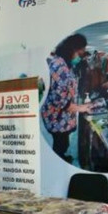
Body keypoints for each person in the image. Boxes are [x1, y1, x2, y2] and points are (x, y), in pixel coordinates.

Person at [41, 33, 95, 164]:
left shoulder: (61, 63)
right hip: (57, 118)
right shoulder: (60, 67)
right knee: (61, 144)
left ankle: (61, 159)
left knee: (62, 143)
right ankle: (59, 164)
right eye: (80, 53)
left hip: (58, 117)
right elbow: (61, 101)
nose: (81, 56)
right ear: (72, 50)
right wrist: (82, 108)